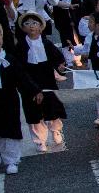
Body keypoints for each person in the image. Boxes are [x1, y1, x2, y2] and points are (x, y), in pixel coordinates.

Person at [0, 21, 33, 175]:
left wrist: (34, 91)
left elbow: (22, 77)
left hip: (9, 99)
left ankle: (12, 160)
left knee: (11, 127)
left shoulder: (8, 58)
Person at [9, 11, 67, 153]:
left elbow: (58, 58)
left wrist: (60, 66)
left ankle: (56, 131)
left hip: (47, 78)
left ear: (41, 27)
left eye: (35, 23)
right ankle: (39, 140)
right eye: (27, 23)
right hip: (29, 80)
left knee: (52, 106)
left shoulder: (46, 43)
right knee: (33, 111)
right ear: (23, 28)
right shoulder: (21, 46)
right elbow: (18, 66)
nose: (31, 26)